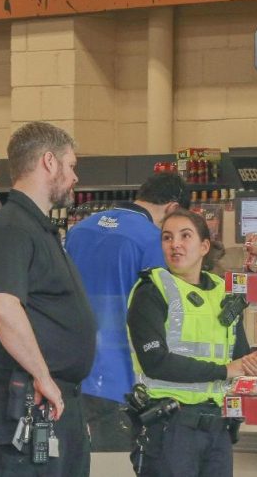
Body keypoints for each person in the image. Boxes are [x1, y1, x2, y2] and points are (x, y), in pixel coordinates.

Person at [0, 122, 96, 476]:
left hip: (56, 403)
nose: (75, 177)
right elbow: (3, 306)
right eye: (71, 165)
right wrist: (43, 376)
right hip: (29, 404)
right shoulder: (12, 227)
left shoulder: (37, 228)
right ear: (49, 162)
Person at [126, 209, 257, 477]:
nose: (175, 244)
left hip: (217, 427)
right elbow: (156, 362)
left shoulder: (223, 291)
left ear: (204, 246)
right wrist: (226, 370)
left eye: (185, 236)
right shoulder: (151, 290)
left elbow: (238, 354)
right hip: (170, 427)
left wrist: (252, 364)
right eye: (167, 237)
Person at [65, 173, 191, 451]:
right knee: (119, 463)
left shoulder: (79, 230)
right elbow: (165, 317)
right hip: (124, 381)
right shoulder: (154, 241)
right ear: (172, 208)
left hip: (74, 374)